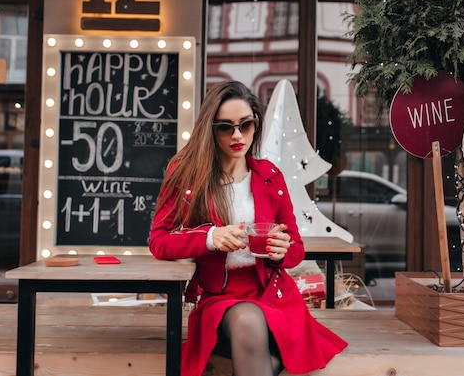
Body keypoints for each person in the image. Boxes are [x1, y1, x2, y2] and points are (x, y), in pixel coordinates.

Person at [149, 80, 347, 376]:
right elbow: (159, 241)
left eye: (246, 125)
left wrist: (281, 252)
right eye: (225, 127)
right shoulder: (187, 173)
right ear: (210, 129)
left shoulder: (270, 176)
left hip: (275, 295)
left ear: (256, 125)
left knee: (260, 344)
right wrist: (210, 238)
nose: (237, 135)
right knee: (248, 322)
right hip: (219, 296)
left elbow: (295, 249)